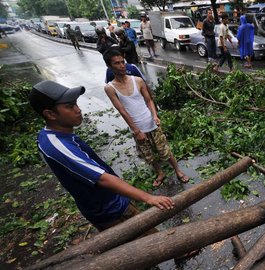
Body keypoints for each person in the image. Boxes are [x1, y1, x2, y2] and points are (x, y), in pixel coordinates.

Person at [29, 80, 175, 231]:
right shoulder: (57, 146)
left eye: (76, 103)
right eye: (69, 106)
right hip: (110, 211)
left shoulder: (52, 135)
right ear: (50, 114)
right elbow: (102, 178)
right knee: (150, 242)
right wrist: (149, 198)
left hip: (111, 201)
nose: (78, 110)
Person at [103, 50, 190, 187]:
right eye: (117, 63)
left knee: (165, 150)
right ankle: (160, 173)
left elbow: (149, 100)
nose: (121, 66)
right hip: (137, 128)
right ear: (109, 66)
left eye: (122, 62)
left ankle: (178, 170)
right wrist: (137, 131)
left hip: (151, 123)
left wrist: (155, 115)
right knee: (148, 155)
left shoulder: (137, 81)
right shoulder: (110, 88)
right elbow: (122, 111)